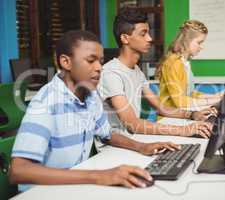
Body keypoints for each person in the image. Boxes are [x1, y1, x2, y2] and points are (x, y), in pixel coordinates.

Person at [9, 30, 180, 191]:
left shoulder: (89, 95)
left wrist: (142, 146)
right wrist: (99, 176)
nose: (99, 68)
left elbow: (107, 134)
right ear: (65, 62)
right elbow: (18, 171)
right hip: (43, 192)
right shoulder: (46, 102)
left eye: (101, 61)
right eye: (91, 61)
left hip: (73, 185)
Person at [97, 8, 215, 141]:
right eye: (143, 34)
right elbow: (132, 124)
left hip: (133, 139)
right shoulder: (111, 73)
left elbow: (161, 108)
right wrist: (183, 130)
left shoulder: (136, 71)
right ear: (125, 38)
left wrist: (193, 115)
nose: (150, 38)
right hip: (113, 148)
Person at [155, 20, 222, 112]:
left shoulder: (184, 62)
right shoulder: (173, 63)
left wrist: (215, 96)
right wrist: (216, 100)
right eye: (199, 42)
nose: (201, 47)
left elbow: (189, 93)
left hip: (181, 115)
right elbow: (180, 102)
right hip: (170, 118)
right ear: (187, 41)